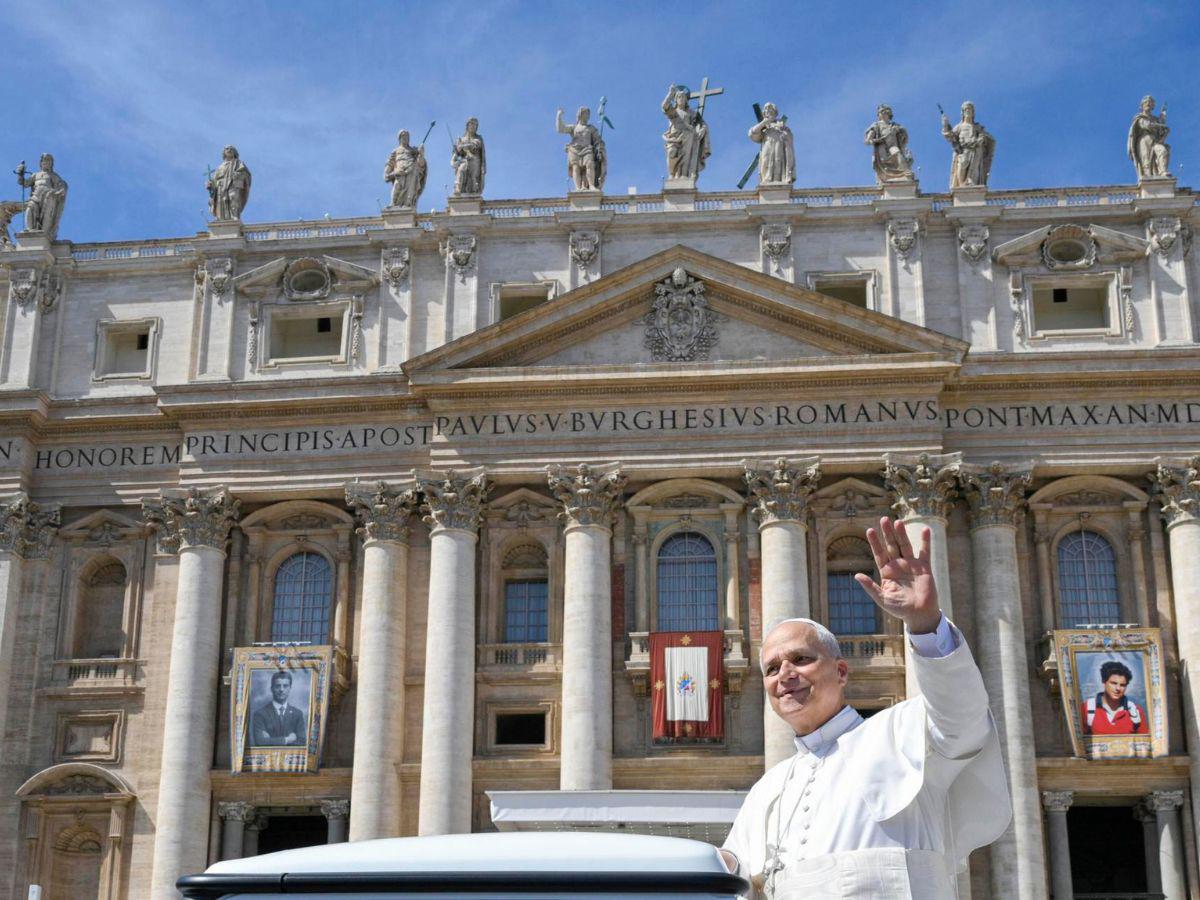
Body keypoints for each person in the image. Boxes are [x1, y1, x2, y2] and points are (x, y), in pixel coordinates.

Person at [720, 517, 1010, 899]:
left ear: (841, 672)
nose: (785, 674)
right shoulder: (768, 789)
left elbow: (963, 717)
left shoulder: (901, 732)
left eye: (801, 659)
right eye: (772, 668)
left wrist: (925, 624)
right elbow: (729, 875)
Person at [1080, 660, 1146, 735]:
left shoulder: (1136, 711)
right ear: (1104, 682)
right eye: (1113, 683)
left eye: (1122, 685)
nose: (1118, 688)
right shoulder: (1086, 709)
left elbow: (1144, 742)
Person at [941, 101, 995, 189]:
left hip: (976, 150)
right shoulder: (959, 126)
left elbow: (985, 137)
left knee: (975, 168)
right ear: (963, 112)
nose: (968, 111)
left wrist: (981, 139)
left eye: (970, 110)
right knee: (962, 164)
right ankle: (961, 185)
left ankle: (972, 185)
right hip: (963, 150)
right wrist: (945, 125)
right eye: (966, 110)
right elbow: (950, 136)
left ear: (973, 113)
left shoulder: (978, 127)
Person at [661, 84, 710, 180]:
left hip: (688, 136)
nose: (681, 98)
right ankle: (672, 173)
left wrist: (702, 130)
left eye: (683, 97)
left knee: (686, 156)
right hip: (674, 138)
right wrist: (670, 94)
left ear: (686, 100)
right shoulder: (673, 112)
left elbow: (703, 124)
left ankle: (684, 174)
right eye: (679, 97)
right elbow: (664, 106)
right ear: (676, 99)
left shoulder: (692, 113)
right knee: (671, 152)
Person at [17, 153, 68, 239]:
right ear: (41, 163)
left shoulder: (53, 176)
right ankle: (30, 231)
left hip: (48, 196)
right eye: (44, 160)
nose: (46, 162)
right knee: (30, 209)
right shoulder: (35, 175)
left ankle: (44, 233)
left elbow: (62, 185)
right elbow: (24, 183)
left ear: (51, 164)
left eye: (48, 161)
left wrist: (59, 191)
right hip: (36, 196)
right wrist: (20, 174)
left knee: (46, 215)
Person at [555, 106, 606, 191]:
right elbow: (561, 129)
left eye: (588, 114)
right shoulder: (574, 127)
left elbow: (597, 140)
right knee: (576, 168)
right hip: (574, 150)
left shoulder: (591, 128)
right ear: (580, 114)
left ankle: (591, 185)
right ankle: (577, 188)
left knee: (590, 165)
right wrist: (559, 116)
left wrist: (600, 147)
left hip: (587, 149)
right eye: (586, 113)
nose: (588, 116)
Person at [250, 670, 307, 747]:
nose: (281, 689)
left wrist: (270, 740)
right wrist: (287, 739)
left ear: (290, 688)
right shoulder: (260, 714)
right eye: (278, 686)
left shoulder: (297, 714)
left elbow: (302, 742)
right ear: (271, 689)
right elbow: (260, 742)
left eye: (285, 686)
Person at [864, 105, 914, 183]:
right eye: (881, 112)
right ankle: (888, 177)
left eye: (884, 112)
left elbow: (905, 135)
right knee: (883, 161)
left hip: (892, 145)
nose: (883, 113)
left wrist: (899, 131)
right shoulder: (876, 125)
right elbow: (868, 139)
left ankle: (905, 173)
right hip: (882, 145)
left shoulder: (895, 125)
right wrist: (872, 140)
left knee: (897, 154)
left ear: (889, 113)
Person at [749, 103, 795, 186]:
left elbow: (789, 137)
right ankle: (766, 182)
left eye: (770, 110)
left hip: (779, 145)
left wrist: (785, 134)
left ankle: (779, 182)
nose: (768, 111)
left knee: (778, 161)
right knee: (765, 162)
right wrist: (764, 122)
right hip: (767, 145)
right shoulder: (764, 126)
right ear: (764, 113)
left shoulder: (781, 125)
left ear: (775, 112)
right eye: (766, 110)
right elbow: (752, 133)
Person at [1127, 95, 1170, 179]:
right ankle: (1148, 180)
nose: (1148, 104)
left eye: (1150, 103)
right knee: (1146, 161)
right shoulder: (1139, 118)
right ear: (1142, 105)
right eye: (1146, 103)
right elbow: (1146, 125)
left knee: (1163, 151)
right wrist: (1159, 125)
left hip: (1155, 141)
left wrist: (1162, 123)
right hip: (1144, 140)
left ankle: (1162, 172)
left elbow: (1160, 132)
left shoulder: (1155, 119)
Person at [384, 129, 428, 209]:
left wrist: (421, 154)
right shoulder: (396, 151)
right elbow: (390, 163)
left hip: (411, 171)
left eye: (407, 136)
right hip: (399, 172)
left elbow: (421, 165)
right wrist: (387, 173)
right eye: (403, 135)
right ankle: (394, 204)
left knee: (410, 189)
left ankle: (408, 204)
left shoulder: (413, 151)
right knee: (397, 186)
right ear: (399, 138)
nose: (405, 137)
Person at [207, 145, 252, 220]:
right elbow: (215, 180)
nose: (229, 150)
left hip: (233, 183)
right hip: (221, 186)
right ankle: (220, 218)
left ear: (235, 152)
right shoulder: (220, 167)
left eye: (231, 149)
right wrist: (210, 185)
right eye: (227, 149)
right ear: (224, 152)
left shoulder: (238, 163)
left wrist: (238, 175)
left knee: (233, 198)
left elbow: (246, 174)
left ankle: (234, 216)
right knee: (220, 201)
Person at [451, 118, 486, 196]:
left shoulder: (478, 138)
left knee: (473, 178)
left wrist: (462, 146)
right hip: (465, 161)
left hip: (475, 160)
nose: (474, 126)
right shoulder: (461, 139)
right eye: (472, 124)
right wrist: (458, 149)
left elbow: (476, 145)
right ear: (467, 125)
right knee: (461, 169)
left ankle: (474, 190)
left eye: (475, 125)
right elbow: (456, 153)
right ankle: (458, 187)